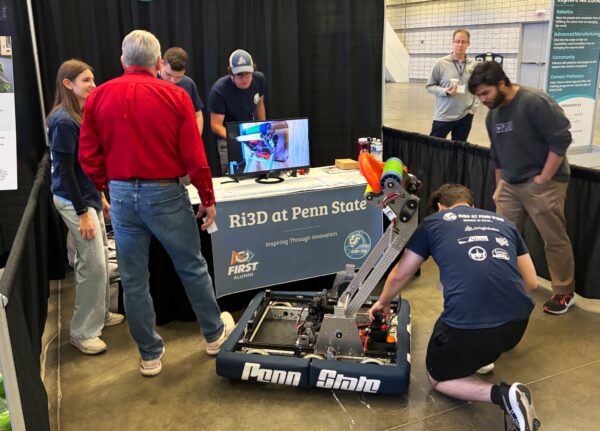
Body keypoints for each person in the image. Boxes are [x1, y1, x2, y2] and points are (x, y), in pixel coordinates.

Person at [78, 30, 235, 377]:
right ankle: (213, 335)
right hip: (164, 193)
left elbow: (87, 155)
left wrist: (111, 185)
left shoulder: (98, 97)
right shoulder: (175, 96)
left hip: (121, 196)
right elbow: (193, 155)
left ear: (123, 60)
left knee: (134, 280)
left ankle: (149, 355)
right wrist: (207, 198)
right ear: (158, 62)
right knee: (191, 267)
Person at [369, 184, 540, 431]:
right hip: (516, 325)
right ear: (470, 204)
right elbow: (532, 282)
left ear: (440, 206)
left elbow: (400, 275)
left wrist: (383, 302)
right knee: (478, 330)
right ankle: (480, 356)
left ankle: (505, 396)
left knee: (438, 379)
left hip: (469, 327)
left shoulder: (434, 222)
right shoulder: (503, 222)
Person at [468, 61, 575, 315]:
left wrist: (544, 177)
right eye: (479, 95)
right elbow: (497, 154)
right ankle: (506, 283)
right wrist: (499, 186)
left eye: (486, 93)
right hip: (510, 184)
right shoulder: (493, 114)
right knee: (501, 237)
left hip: (544, 183)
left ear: (502, 83)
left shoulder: (535, 102)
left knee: (554, 239)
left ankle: (563, 292)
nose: (482, 100)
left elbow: (561, 139)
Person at [47, 59, 124, 355]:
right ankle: (83, 331)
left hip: (86, 196)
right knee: (92, 265)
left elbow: (85, 165)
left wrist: (100, 196)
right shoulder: (63, 121)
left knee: (101, 260)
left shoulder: (78, 114)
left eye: (92, 79)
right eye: (85, 80)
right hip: (72, 200)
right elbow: (66, 172)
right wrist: (82, 213)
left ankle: (100, 314)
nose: (92, 85)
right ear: (68, 84)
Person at [207, 49, 266, 175]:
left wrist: (262, 127)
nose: (244, 79)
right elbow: (216, 126)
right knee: (234, 176)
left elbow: (260, 103)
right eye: (239, 75)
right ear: (231, 74)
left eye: (248, 75)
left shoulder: (259, 79)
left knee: (261, 171)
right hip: (228, 137)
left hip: (252, 133)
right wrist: (238, 139)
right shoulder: (219, 90)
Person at [426, 29, 479, 142]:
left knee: (459, 151)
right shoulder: (440, 63)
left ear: (468, 44)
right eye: (457, 41)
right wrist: (445, 91)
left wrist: (473, 110)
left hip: (465, 116)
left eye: (463, 42)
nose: (460, 45)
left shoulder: (473, 65)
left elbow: (477, 88)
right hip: (443, 116)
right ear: (452, 43)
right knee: (434, 149)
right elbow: (429, 87)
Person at [158, 47, 204, 136]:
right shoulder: (150, 82)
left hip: (183, 139)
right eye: (168, 74)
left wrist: (196, 138)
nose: (173, 80)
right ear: (162, 63)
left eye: (178, 77)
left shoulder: (188, 83)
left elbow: (198, 115)